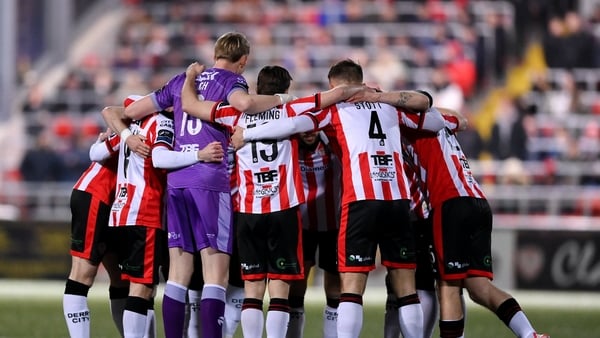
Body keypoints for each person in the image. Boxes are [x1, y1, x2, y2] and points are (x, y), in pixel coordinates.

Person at [229, 59, 445, 338]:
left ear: (335, 86)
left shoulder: (335, 110)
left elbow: (290, 124)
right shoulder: (391, 106)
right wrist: (383, 97)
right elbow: (436, 118)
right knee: (406, 287)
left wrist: (248, 133)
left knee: (351, 287)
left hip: (360, 201)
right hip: (398, 200)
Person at [121, 32, 294, 338]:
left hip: (177, 181)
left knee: (178, 274)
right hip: (210, 180)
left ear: (215, 53)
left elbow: (130, 113)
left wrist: (125, 135)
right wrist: (283, 99)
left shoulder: (179, 81)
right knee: (216, 274)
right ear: (242, 61)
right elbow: (245, 103)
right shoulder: (232, 81)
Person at [180, 63, 364, 338]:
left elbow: (190, 106)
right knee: (280, 290)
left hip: (248, 212)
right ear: (286, 90)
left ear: (256, 90)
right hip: (283, 211)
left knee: (252, 290)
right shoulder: (292, 108)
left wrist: (190, 77)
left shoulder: (234, 115)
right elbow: (335, 95)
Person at [398, 107, 550, 338]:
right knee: (479, 288)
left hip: (450, 204)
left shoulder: (410, 123)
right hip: (478, 201)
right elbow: (461, 119)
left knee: (448, 286)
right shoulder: (443, 122)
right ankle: (530, 335)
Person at [62, 124, 149, 338]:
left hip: (119, 203)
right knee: (83, 273)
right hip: (97, 194)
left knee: (122, 279)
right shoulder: (137, 127)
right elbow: (97, 150)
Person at [100, 97, 172, 338]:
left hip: (121, 212)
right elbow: (162, 160)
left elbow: (96, 149)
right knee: (141, 289)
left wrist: (123, 136)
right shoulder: (162, 123)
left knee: (142, 287)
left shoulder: (130, 123)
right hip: (145, 212)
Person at [286, 131, 341, 338]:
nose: (308, 133)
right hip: (303, 226)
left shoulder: (333, 142)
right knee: (296, 289)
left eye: (312, 127)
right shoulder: (290, 145)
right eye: (303, 127)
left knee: (335, 290)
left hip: (334, 225)